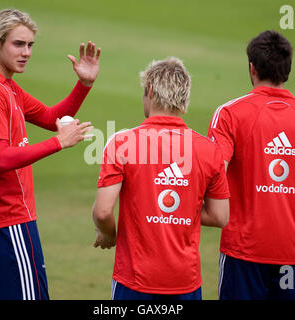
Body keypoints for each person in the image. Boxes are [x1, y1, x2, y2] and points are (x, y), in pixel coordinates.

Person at [0, 9, 100, 299]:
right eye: (18, 44)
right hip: (6, 221)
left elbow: (52, 117)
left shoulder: (6, 87)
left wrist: (84, 84)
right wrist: (58, 144)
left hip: (1, 222)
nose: (26, 52)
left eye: (30, 45)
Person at [208, 30, 295, 300]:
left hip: (242, 255)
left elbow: (213, 173)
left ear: (252, 68)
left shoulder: (230, 114)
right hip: (291, 257)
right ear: (287, 69)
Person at [92, 57, 230, 300]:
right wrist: (182, 211)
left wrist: (108, 234)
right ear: (184, 98)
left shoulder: (123, 143)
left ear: (151, 91)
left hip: (134, 281)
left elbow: (103, 212)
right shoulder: (209, 150)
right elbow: (220, 216)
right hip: (185, 281)